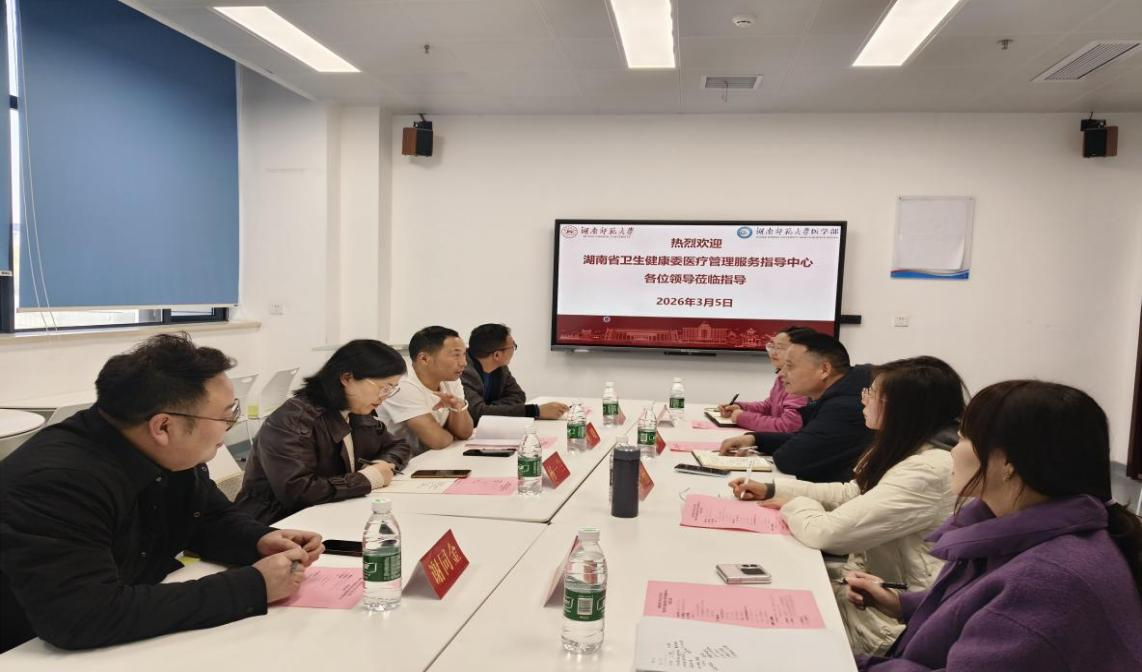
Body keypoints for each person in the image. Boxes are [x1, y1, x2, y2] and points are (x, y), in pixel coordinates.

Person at [0, 334, 323, 652]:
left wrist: (258, 540)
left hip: (132, 626)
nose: (230, 424)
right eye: (226, 415)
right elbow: (80, 616)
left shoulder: (165, 451)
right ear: (163, 427)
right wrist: (253, 586)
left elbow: (207, 518)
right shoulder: (57, 483)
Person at [846, 381, 1142, 671]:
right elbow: (984, 607)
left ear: (1009, 462)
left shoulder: (1047, 580)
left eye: (963, 438)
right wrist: (902, 604)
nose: (952, 451)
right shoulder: (1016, 533)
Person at [730, 356, 964, 655]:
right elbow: (850, 494)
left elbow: (828, 534)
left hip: (891, 620)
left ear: (903, 407)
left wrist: (794, 503)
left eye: (872, 394)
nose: (863, 400)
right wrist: (772, 488)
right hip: (867, 583)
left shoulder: (927, 469)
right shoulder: (903, 447)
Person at [235, 340, 411, 524]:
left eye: (391, 389)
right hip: (275, 523)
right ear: (347, 379)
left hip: (329, 514)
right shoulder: (294, 420)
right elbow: (297, 492)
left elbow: (398, 445)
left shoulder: (356, 410)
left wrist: (382, 464)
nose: (385, 396)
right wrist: (367, 478)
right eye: (383, 388)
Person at [719, 331, 873, 482]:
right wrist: (755, 439)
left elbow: (790, 459)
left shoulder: (845, 406)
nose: (781, 373)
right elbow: (807, 438)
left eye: (790, 366)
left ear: (824, 370)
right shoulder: (844, 390)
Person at [377, 326, 474, 455]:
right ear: (424, 359)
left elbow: (465, 433)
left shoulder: (450, 379)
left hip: (429, 458)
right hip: (398, 462)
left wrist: (457, 407)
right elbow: (438, 441)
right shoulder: (401, 384)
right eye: (456, 355)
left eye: (464, 354)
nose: (464, 363)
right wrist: (451, 433)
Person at [460, 323, 568, 425]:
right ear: (497, 355)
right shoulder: (462, 372)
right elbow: (477, 413)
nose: (514, 349)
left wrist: (490, 409)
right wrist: (536, 411)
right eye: (513, 346)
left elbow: (519, 396)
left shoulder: (500, 368)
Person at [716, 326, 810, 432]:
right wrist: (740, 407)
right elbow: (769, 407)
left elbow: (787, 426)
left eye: (779, 348)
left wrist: (742, 417)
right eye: (772, 346)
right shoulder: (782, 376)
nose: (773, 352)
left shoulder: (802, 383)